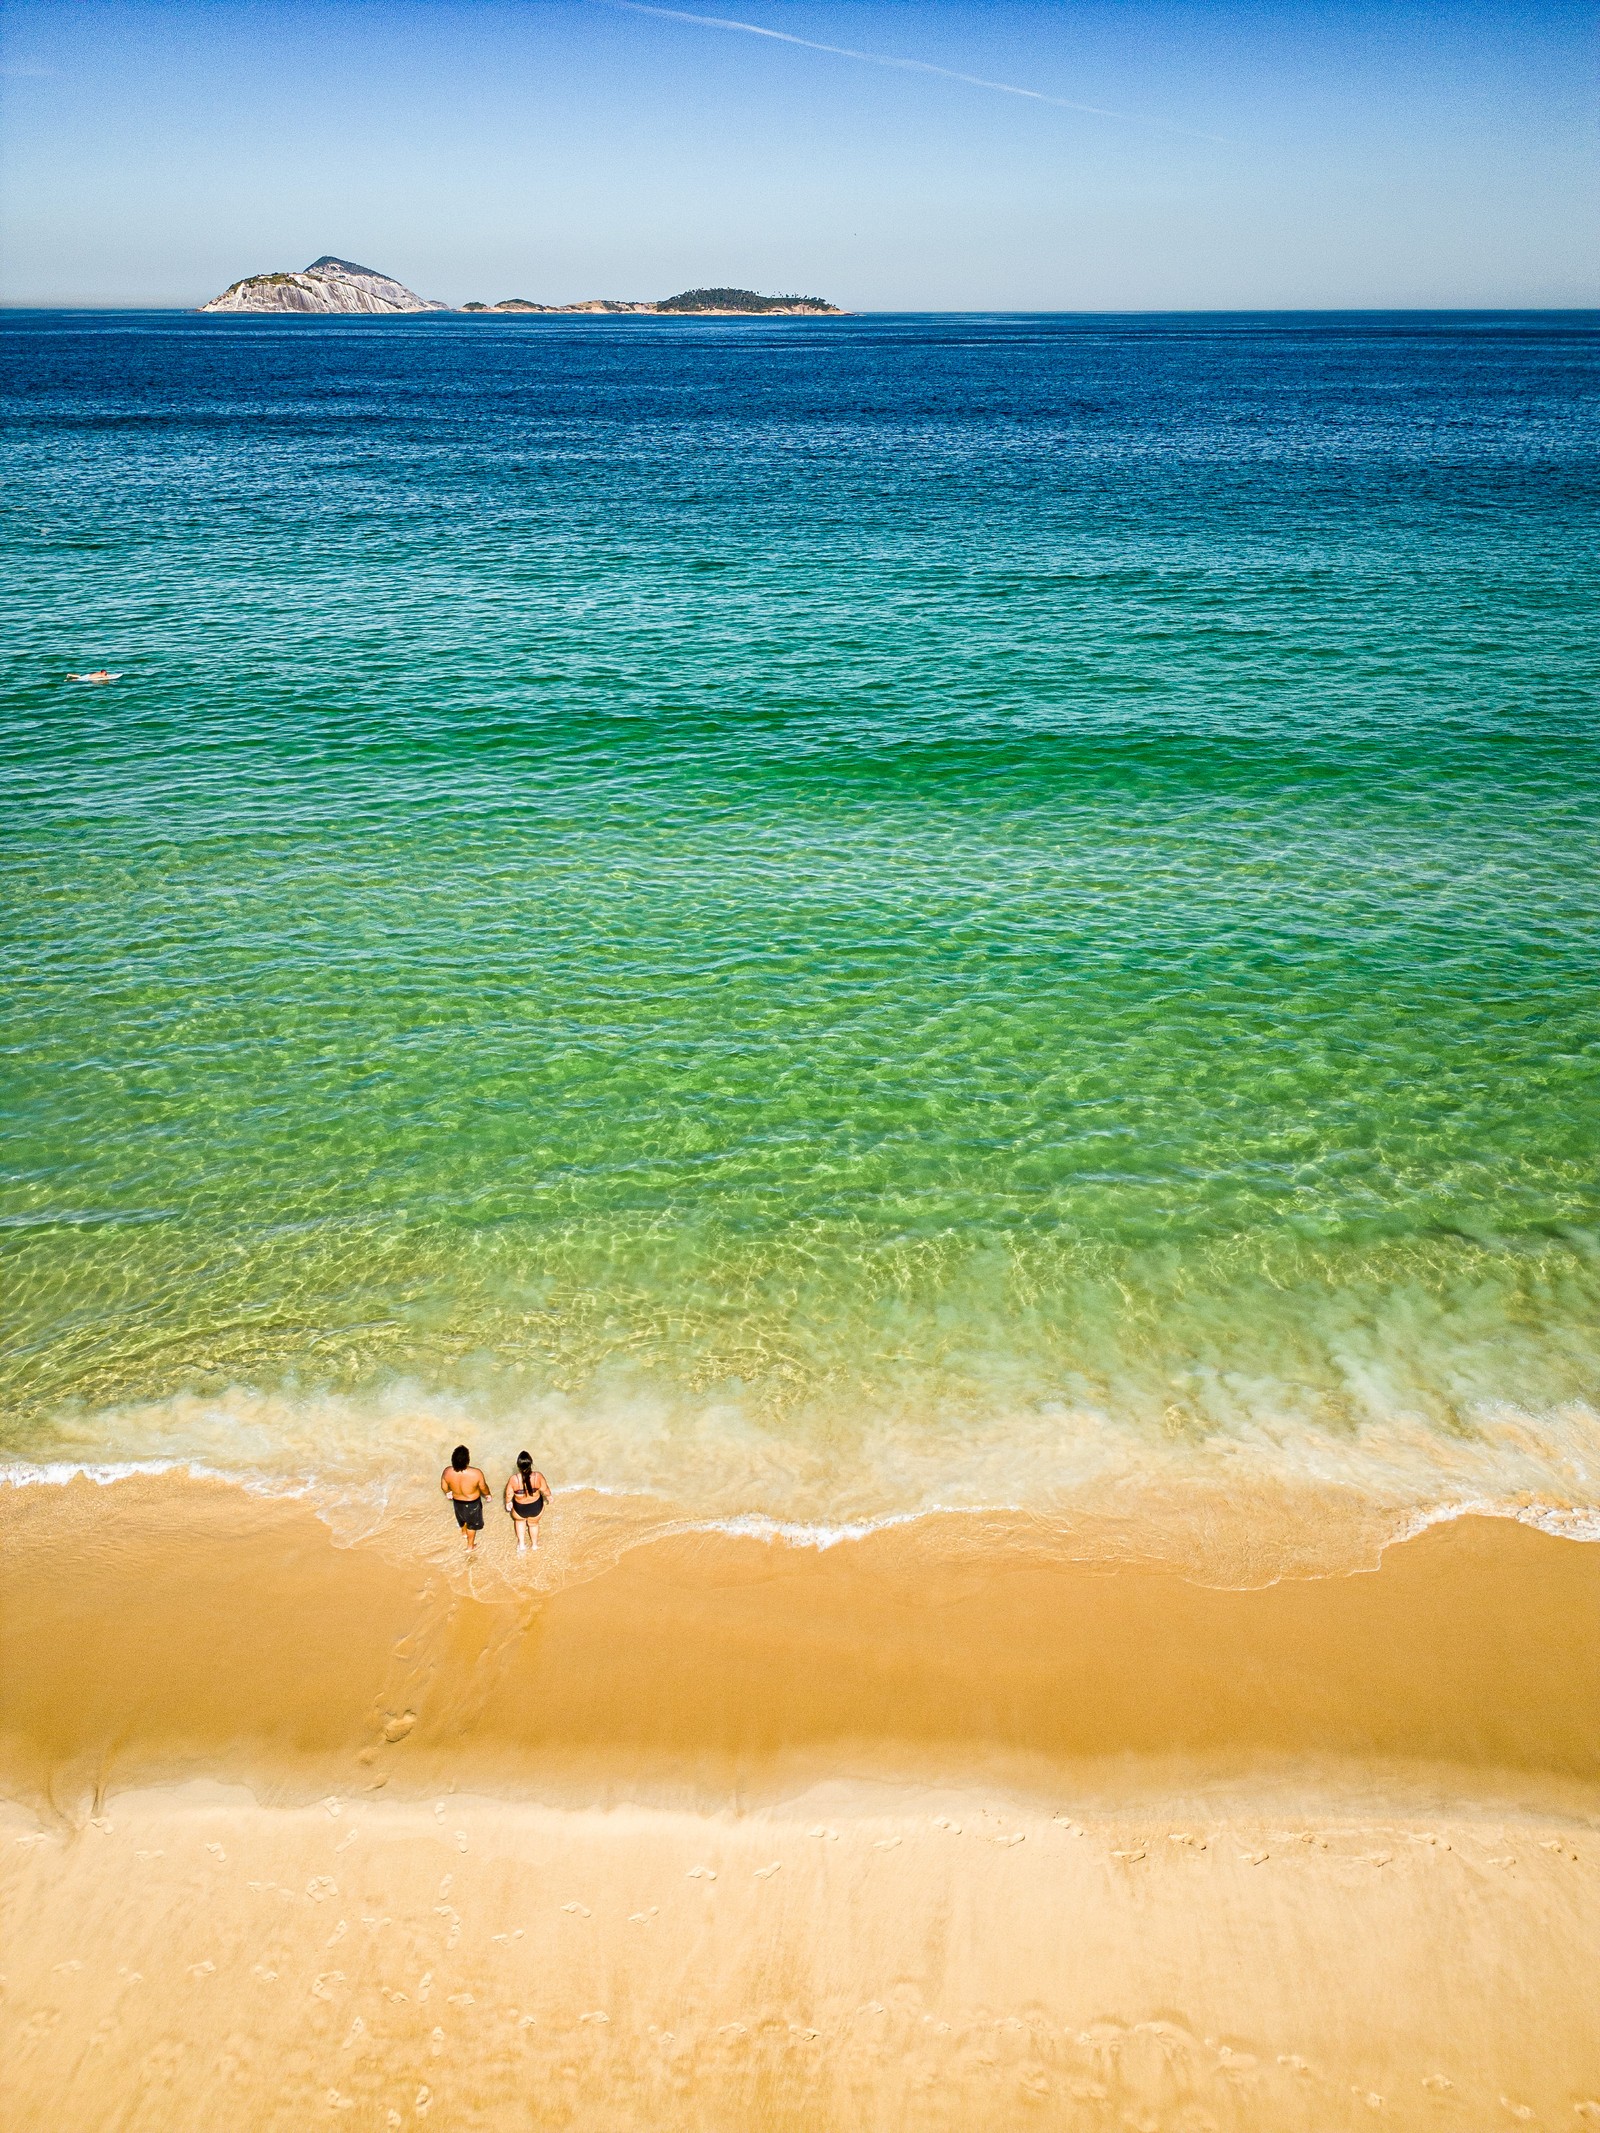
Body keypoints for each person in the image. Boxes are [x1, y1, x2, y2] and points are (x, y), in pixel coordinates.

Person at [440, 1444, 491, 1548]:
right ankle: (470, 1546)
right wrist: (487, 1494)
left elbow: (444, 1486)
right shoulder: (476, 1473)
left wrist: (448, 1492)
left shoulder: (447, 1471)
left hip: (457, 1501)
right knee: (472, 1525)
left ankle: (463, 1533)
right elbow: (483, 1487)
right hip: (472, 1503)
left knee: (462, 1518)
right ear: (467, 1460)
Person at [504, 1452, 551, 1551]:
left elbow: (509, 1494)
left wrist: (508, 1502)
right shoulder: (538, 1476)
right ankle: (534, 1545)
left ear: (518, 1466)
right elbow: (545, 1489)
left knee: (520, 1522)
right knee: (533, 1524)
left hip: (520, 1508)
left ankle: (521, 1545)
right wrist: (549, 1496)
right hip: (536, 1507)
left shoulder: (514, 1479)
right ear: (531, 1463)